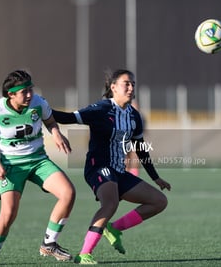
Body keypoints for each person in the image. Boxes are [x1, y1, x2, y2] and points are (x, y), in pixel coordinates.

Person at [52, 69, 171, 264]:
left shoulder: (134, 116)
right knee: (110, 204)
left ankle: (114, 228)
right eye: (127, 83)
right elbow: (67, 118)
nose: (131, 87)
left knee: (159, 201)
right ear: (113, 87)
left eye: (133, 83)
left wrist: (155, 177)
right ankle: (84, 254)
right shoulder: (101, 109)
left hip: (118, 171)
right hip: (98, 167)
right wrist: (42, 109)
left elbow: (140, 148)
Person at [0, 70, 76, 266]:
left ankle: (49, 243)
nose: (30, 94)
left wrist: (56, 133)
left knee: (68, 193)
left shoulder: (39, 102)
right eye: (25, 91)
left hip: (39, 161)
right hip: (11, 166)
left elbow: (50, 122)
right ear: (11, 95)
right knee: (8, 214)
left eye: (31, 89)